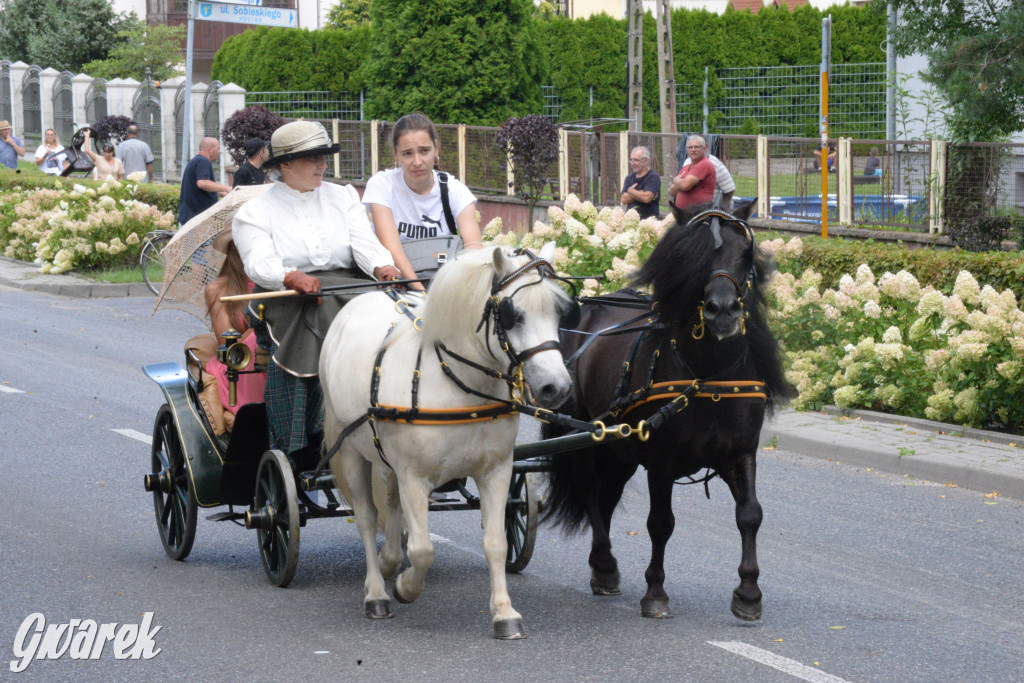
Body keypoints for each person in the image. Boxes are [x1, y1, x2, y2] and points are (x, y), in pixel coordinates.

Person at [232, 120, 401, 455]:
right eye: (313, 158)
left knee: (397, 317)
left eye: (324, 156)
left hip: (348, 287)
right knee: (315, 320)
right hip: (285, 297)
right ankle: (298, 440)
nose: (323, 164)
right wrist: (290, 276)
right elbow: (258, 263)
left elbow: (363, 243)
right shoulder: (254, 211)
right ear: (285, 164)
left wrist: (383, 266)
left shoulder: (343, 196)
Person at [362, 113, 482, 292]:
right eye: (407, 153)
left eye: (424, 151)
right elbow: (393, 251)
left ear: (436, 149)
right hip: (396, 284)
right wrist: (422, 293)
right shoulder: (382, 185)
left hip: (443, 285)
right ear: (396, 154)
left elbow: (473, 251)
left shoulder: (455, 191)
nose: (417, 162)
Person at [203, 228, 266, 424]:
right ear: (235, 248)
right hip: (240, 363)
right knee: (258, 339)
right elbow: (226, 343)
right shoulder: (218, 289)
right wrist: (260, 323)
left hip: (276, 355)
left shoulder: (278, 281)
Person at [178, 137, 232, 226]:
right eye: (218, 148)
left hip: (192, 217)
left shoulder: (197, 160)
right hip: (197, 219)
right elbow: (202, 183)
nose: (220, 152)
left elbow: (200, 188)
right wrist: (226, 188)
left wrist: (221, 192)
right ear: (210, 149)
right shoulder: (203, 161)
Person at [669, 134, 716, 210]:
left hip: (698, 215)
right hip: (683, 214)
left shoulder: (705, 164)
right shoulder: (686, 167)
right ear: (687, 150)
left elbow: (685, 185)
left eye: (697, 147)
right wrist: (682, 184)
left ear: (705, 148)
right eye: (690, 147)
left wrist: (676, 180)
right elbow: (672, 191)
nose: (693, 150)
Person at [619, 146, 661, 219]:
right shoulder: (629, 178)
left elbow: (646, 198)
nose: (632, 163)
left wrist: (630, 191)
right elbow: (623, 199)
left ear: (646, 161)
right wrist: (639, 194)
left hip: (648, 223)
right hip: (630, 221)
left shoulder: (653, 177)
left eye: (636, 160)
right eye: (631, 160)